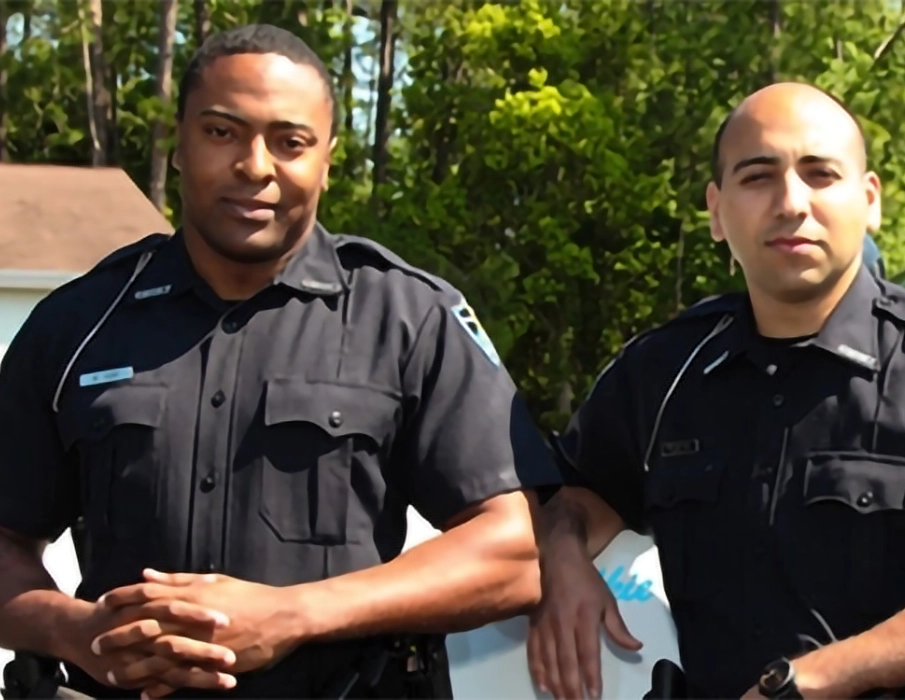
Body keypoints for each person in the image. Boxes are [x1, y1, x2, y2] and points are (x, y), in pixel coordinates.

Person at [0, 24, 559, 700]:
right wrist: (73, 632)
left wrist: (295, 614)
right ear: (178, 144)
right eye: (221, 132)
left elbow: (511, 554)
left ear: (327, 159)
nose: (255, 167)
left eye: (290, 143)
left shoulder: (409, 319)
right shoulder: (78, 325)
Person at [526, 82, 905, 700]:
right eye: (758, 177)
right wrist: (565, 559)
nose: (792, 202)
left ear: (870, 200)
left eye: (820, 174)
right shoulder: (664, 372)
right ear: (716, 210)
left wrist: (803, 683)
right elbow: (570, 497)